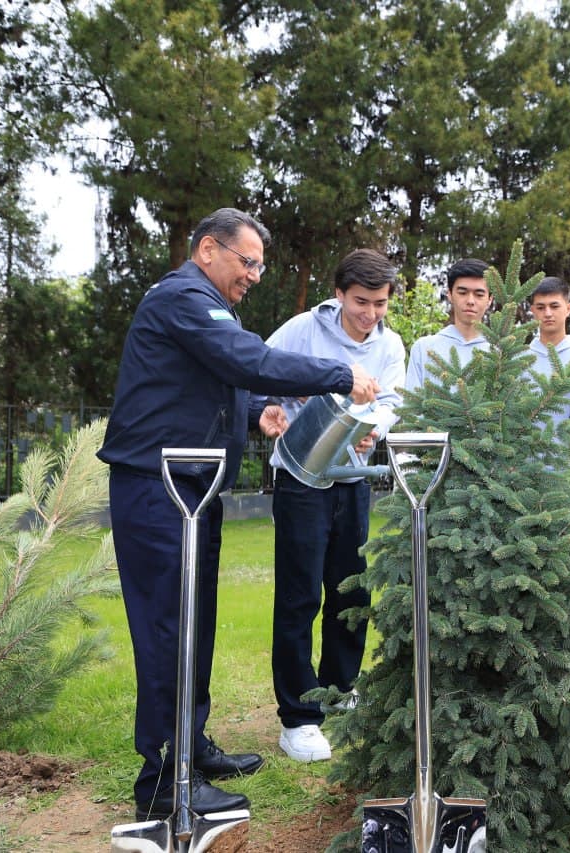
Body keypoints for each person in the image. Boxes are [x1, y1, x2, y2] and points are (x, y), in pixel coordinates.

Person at [98, 208, 379, 821]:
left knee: (193, 625)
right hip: (158, 492)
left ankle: (190, 748)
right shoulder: (184, 297)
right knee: (170, 630)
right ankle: (164, 781)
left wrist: (257, 415)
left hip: (193, 490)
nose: (254, 275)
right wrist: (340, 373)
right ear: (207, 250)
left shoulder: (203, 302)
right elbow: (243, 358)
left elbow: (222, 379)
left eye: (259, 265)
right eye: (247, 261)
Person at [256, 249, 405, 764]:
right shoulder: (301, 329)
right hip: (300, 478)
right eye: (361, 302)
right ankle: (298, 717)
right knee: (300, 597)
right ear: (338, 294)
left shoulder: (390, 344)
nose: (370, 314)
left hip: (353, 480)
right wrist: (266, 410)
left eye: (380, 303)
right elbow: (258, 370)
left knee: (350, 591)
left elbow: (391, 402)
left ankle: (340, 691)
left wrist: (375, 431)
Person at [404, 258, 494, 391]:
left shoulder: (500, 354)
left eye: (479, 294)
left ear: (490, 300)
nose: (470, 301)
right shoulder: (424, 349)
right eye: (462, 293)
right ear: (450, 295)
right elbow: (411, 406)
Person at [526, 276, 570, 433]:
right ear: (532, 311)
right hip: (526, 455)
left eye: (554, 306)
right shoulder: (519, 359)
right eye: (540, 307)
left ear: (568, 308)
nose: (548, 313)